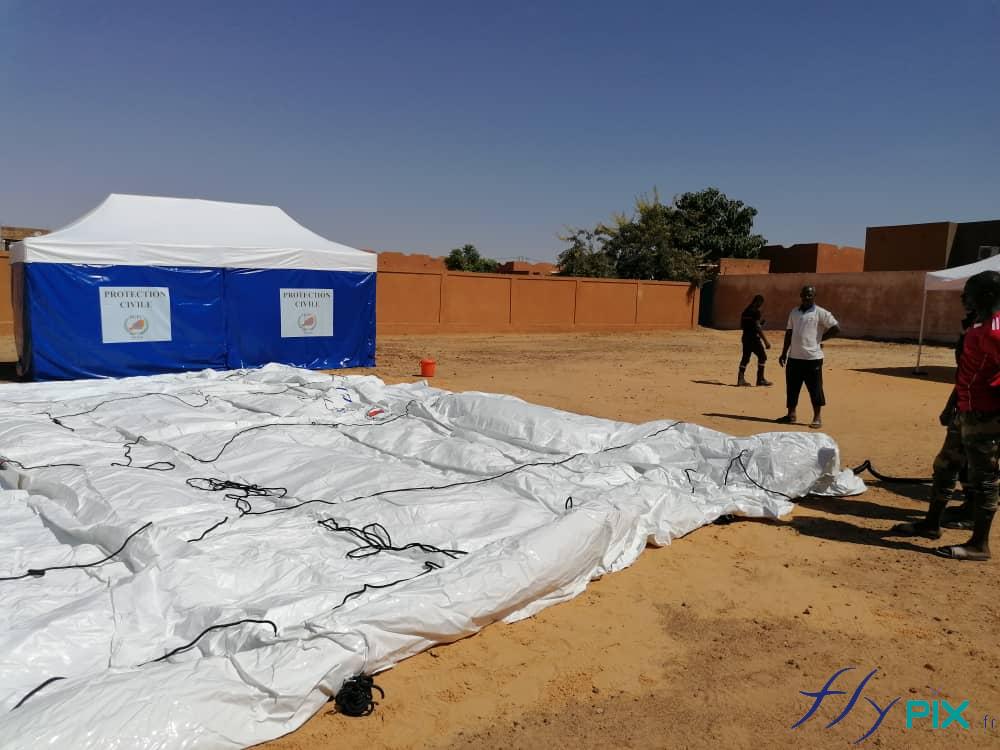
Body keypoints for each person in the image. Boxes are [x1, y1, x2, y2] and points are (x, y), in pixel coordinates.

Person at [891, 271, 1000, 561]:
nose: (965, 297)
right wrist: (953, 403)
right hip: (964, 410)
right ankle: (931, 524)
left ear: (988, 294)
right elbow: (966, 370)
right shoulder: (979, 324)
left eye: (970, 291)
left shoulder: (995, 330)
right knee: (945, 466)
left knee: (983, 479)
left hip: (984, 416)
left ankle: (979, 544)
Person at [775, 286, 840, 429]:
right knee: (792, 388)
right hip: (794, 358)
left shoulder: (820, 313)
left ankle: (817, 418)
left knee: (815, 388)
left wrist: (820, 339)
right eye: (805, 295)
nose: (807, 297)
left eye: (810, 295)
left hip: (813, 359)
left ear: (814, 296)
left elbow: (836, 328)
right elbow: (789, 332)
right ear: (801, 295)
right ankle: (791, 414)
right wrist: (784, 352)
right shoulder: (794, 312)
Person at [737, 294, 772, 387]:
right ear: (758, 302)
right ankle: (760, 379)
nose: (760, 305)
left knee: (745, 358)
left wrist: (758, 324)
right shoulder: (756, 312)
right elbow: (757, 327)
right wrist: (766, 341)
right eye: (761, 303)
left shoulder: (745, 311)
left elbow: (743, 325)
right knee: (763, 357)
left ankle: (740, 379)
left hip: (745, 338)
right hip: (754, 339)